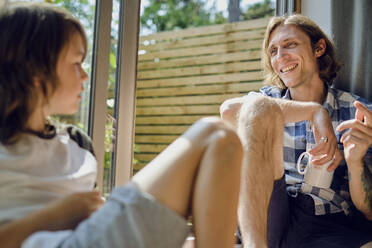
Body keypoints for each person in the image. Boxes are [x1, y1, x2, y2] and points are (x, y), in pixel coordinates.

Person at [0, 2, 243, 248]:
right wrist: (58, 215)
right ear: (35, 73)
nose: (85, 76)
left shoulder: (76, 144)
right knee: (215, 134)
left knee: (222, 142)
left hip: (87, 238)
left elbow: (93, 217)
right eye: (75, 64)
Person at [220, 14, 372, 248]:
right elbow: (229, 110)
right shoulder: (266, 101)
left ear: (319, 48)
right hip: (268, 217)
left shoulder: (357, 111)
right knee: (259, 109)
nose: (280, 57)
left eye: (290, 44)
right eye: (273, 51)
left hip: (326, 225)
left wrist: (355, 162)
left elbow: (369, 211)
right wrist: (314, 111)